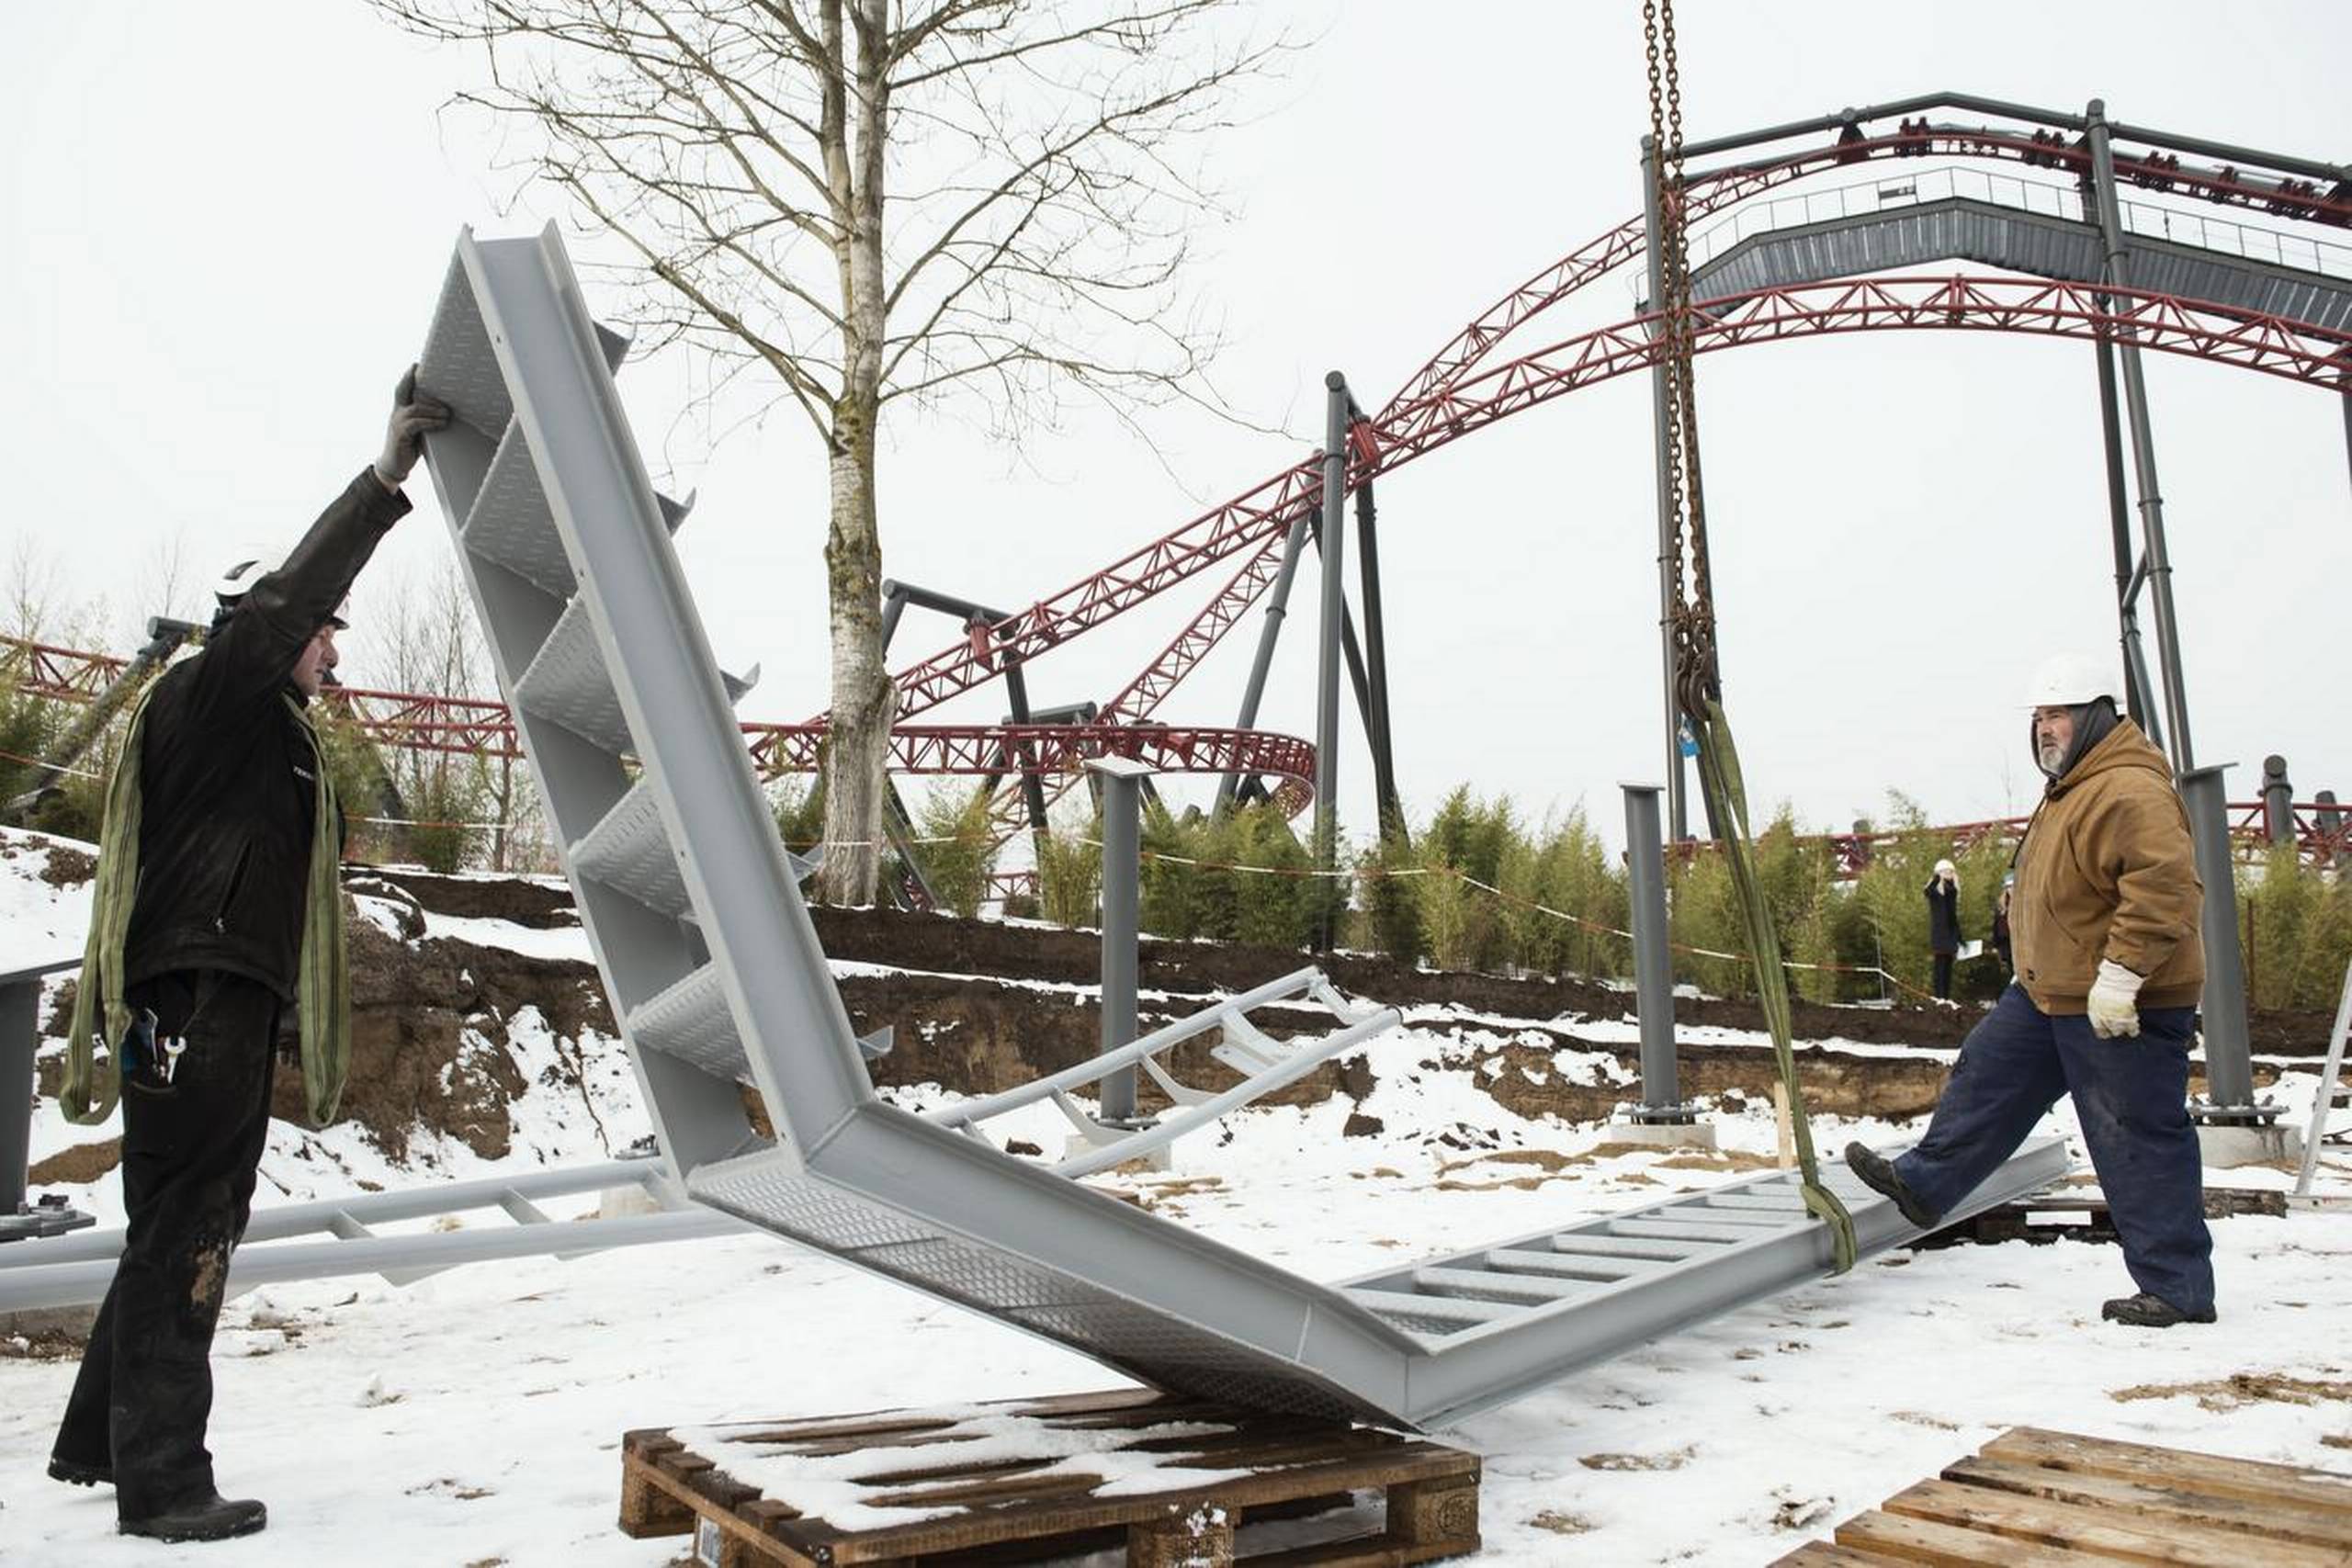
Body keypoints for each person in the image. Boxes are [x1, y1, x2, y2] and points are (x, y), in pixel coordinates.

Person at [50, 370, 451, 1541]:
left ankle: (101, 1441)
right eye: (323, 630)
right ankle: (166, 1484)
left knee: (173, 1213)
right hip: (199, 995)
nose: (333, 646)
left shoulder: (264, 735)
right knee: (193, 1226)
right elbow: (287, 607)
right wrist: (383, 485)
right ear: (258, 625)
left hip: (208, 995)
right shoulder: (216, 692)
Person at [1847, 651, 2214, 1328]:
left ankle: (2177, 1287)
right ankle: (1926, 1186)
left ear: (2098, 716)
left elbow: (2164, 888)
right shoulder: (2074, 785)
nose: (2046, 729)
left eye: (2059, 715)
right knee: (1986, 1078)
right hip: (2051, 991)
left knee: (2134, 1136)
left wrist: (2123, 973)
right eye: (2040, 717)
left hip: (2117, 1000)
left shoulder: (2128, 787)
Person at [1924, 857, 1962, 1001]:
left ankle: (1946, 997)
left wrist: (1959, 937)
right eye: (1946, 871)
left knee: (1948, 967)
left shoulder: (1952, 891)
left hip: (1951, 934)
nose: (1949, 873)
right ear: (1939, 873)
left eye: (1951, 871)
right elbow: (1927, 891)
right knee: (1939, 966)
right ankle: (1938, 996)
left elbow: (1953, 916)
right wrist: (1936, 877)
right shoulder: (1935, 892)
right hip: (1940, 934)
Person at [1991, 872, 2016, 974]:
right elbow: (1996, 927)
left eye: (2013, 886)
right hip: (2006, 944)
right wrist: (1995, 945)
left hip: (2020, 943)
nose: (2011, 889)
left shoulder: (2024, 903)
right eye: (2009, 887)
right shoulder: (2002, 906)